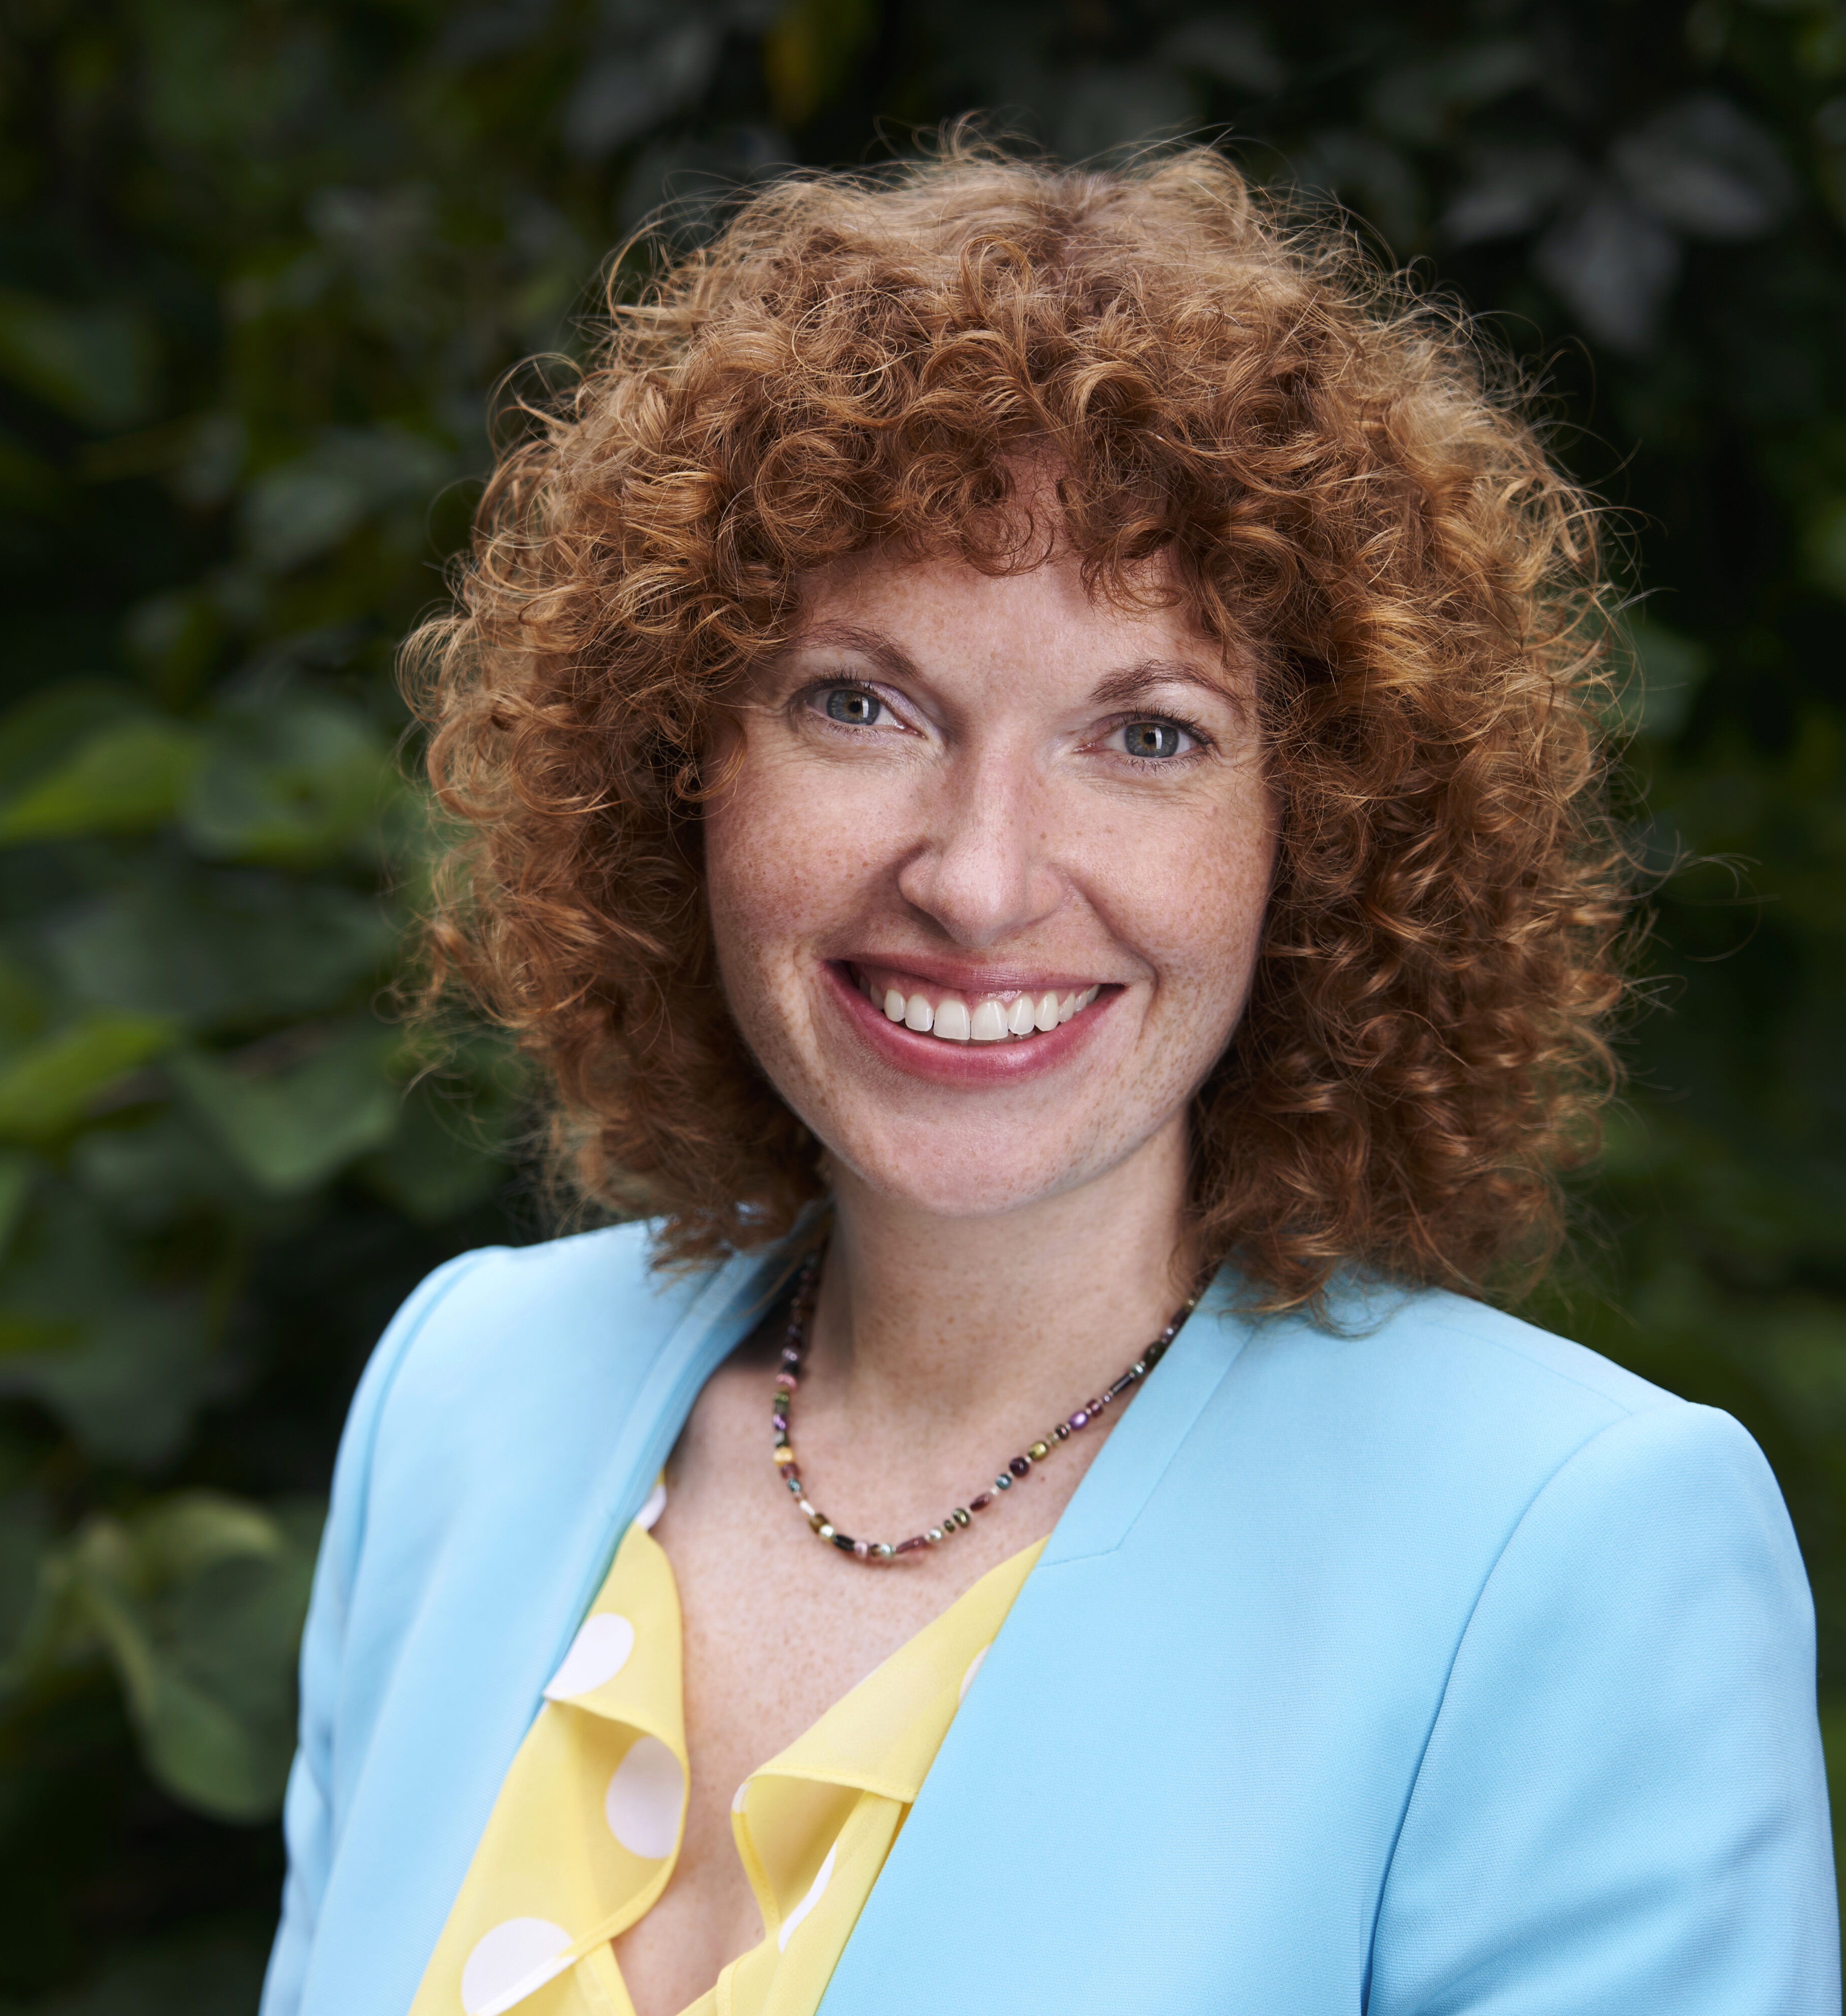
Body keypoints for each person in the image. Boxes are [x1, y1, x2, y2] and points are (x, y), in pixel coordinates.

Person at [259, 142, 1838, 2016]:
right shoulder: (467, 1396)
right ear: (676, 756)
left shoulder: (1569, 1548)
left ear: (1318, 839)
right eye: (861, 703)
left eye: (1147, 735)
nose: (979, 876)